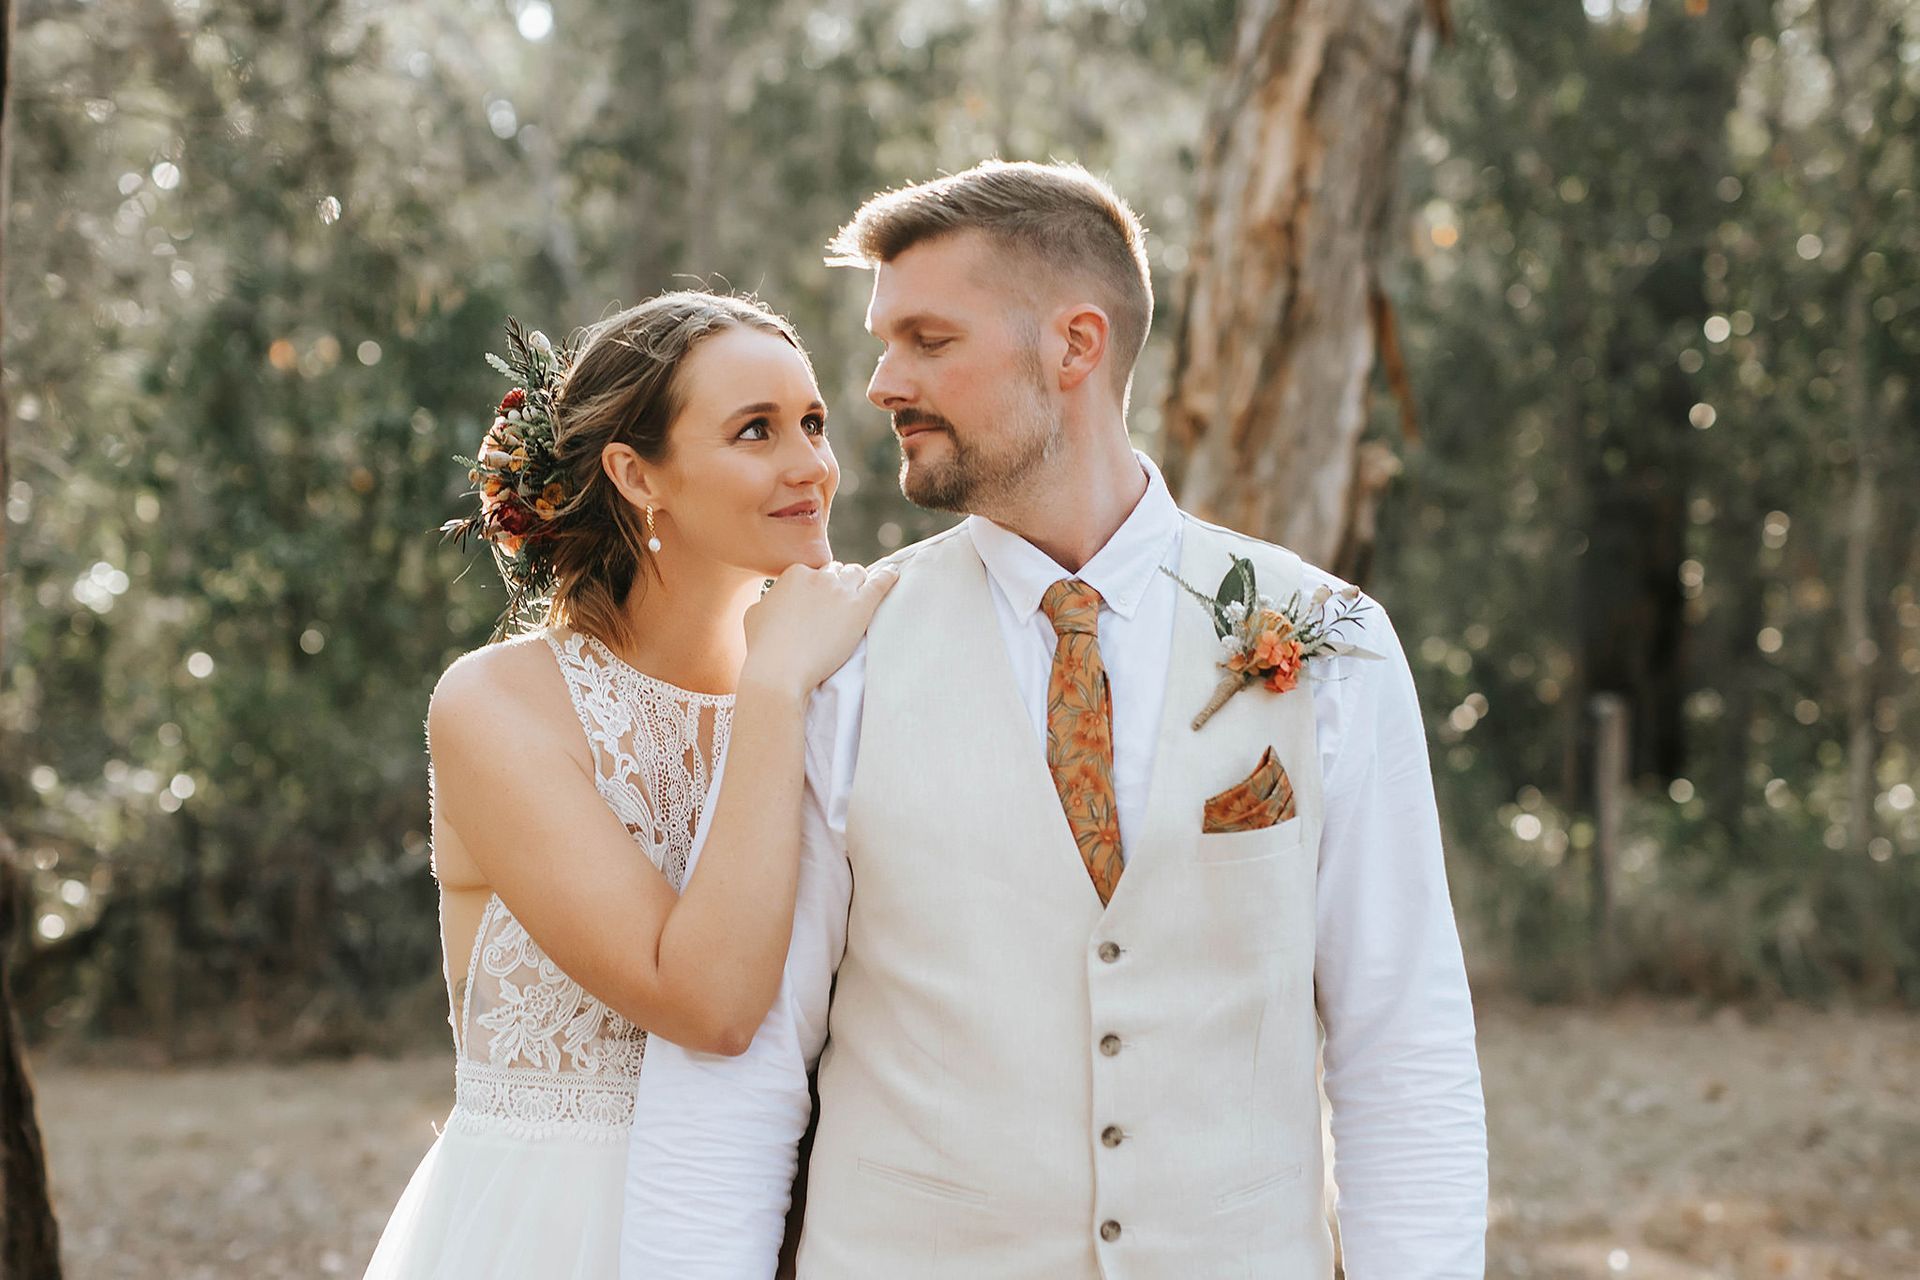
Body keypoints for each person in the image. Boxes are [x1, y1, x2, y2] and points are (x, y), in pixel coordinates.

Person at [621, 162, 1488, 1278]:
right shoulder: (834, 656)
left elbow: (1400, 1045)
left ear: (1075, 346)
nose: (882, 382)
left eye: (928, 339)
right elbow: (739, 1071)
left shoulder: (1335, 639)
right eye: (884, 342)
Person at [363, 291, 895, 1279]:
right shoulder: (498, 705)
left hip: (796, 1219)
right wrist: (774, 685)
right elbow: (707, 1003)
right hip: (556, 1231)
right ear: (636, 472)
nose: (810, 466)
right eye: (756, 430)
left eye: (813, 423)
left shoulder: (848, 675)